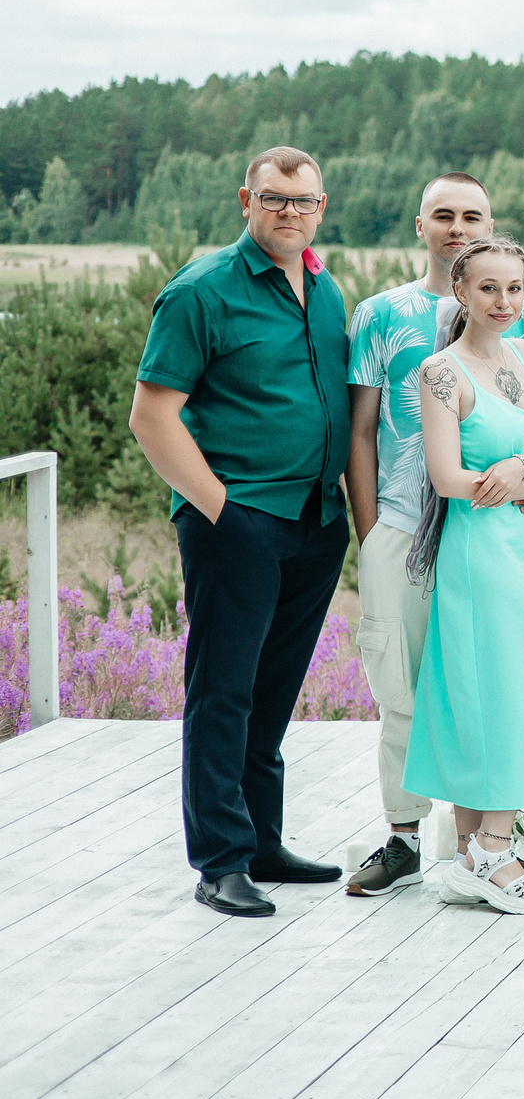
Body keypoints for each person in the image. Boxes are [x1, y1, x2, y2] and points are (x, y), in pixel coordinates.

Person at [129, 146, 353, 916]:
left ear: (322, 207)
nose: (290, 211)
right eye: (274, 198)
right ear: (246, 200)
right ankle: (221, 860)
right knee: (223, 691)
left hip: (317, 521)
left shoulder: (326, 289)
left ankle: (261, 842)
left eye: (303, 200)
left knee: (273, 690)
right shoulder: (201, 291)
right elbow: (151, 416)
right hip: (240, 522)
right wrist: (222, 509)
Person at [342, 171, 524, 897]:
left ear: (490, 225)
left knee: (475, 682)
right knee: (399, 685)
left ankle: (475, 846)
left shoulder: (523, 323)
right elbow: (361, 431)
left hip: (482, 532)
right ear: (421, 225)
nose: (459, 227)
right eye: (445, 215)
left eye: (473, 216)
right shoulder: (381, 314)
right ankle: (401, 837)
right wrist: (371, 532)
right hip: (401, 526)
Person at [403, 237, 524, 913]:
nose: (505, 301)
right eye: (489, 288)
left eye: (515, 288)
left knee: (491, 690)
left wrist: (522, 471)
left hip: (517, 548)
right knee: (512, 691)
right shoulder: (441, 373)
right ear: (461, 292)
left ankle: (474, 853)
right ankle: (493, 850)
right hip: (476, 553)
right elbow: (448, 478)